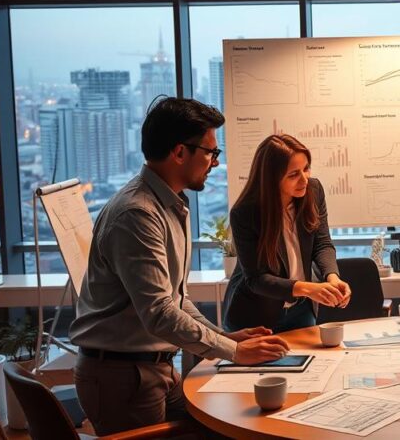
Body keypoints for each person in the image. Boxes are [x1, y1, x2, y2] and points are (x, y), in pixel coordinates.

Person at [70, 98, 289, 436]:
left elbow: (175, 298)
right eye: (210, 153)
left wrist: (223, 336)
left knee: (222, 423)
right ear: (179, 152)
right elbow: (159, 312)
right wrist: (234, 351)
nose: (215, 163)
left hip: (152, 369)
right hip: (122, 376)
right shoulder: (138, 214)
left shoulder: (169, 205)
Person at [222, 134, 351, 333]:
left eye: (306, 168)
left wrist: (332, 277)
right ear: (271, 178)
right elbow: (256, 279)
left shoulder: (313, 191)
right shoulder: (245, 213)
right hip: (255, 316)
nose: (304, 180)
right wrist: (308, 288)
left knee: (311, 364)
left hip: (301, 310)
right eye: (293, 174)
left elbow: (322, 243)